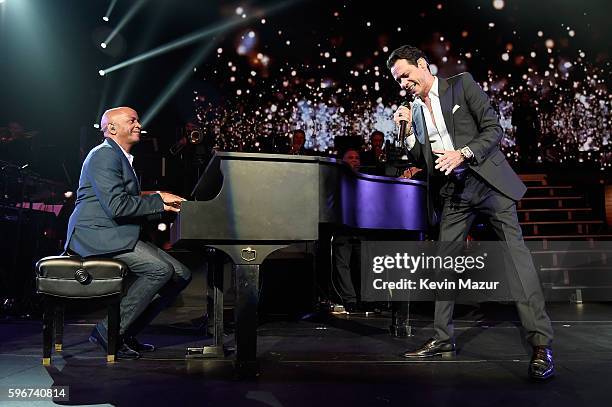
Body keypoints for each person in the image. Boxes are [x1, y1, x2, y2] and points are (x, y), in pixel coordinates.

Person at [388, 45, 554, 380]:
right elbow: (423, 160)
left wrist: (463, 153)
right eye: (397, 80)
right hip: (455, 193)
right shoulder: (415, 111)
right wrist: (405, 134)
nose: (403, 83)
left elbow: (494, 129)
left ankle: (540, 345)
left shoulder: (462, 85)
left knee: (517, 262)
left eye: (405, 75)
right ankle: (442, 338)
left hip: (488, 184)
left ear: (422, 65)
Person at [65, 106, 192, 359]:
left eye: (138, 120)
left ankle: (126, 332)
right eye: (131, 120)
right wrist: (159, 202)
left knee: (181, 274)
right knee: (160, 270)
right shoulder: (104, 155)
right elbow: (117, 206)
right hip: (95, 234)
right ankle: (108, 332)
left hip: (114, 231)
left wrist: (160, 198)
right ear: (111, 128)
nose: (138, 124)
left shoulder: (118, 156)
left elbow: (126, 199)